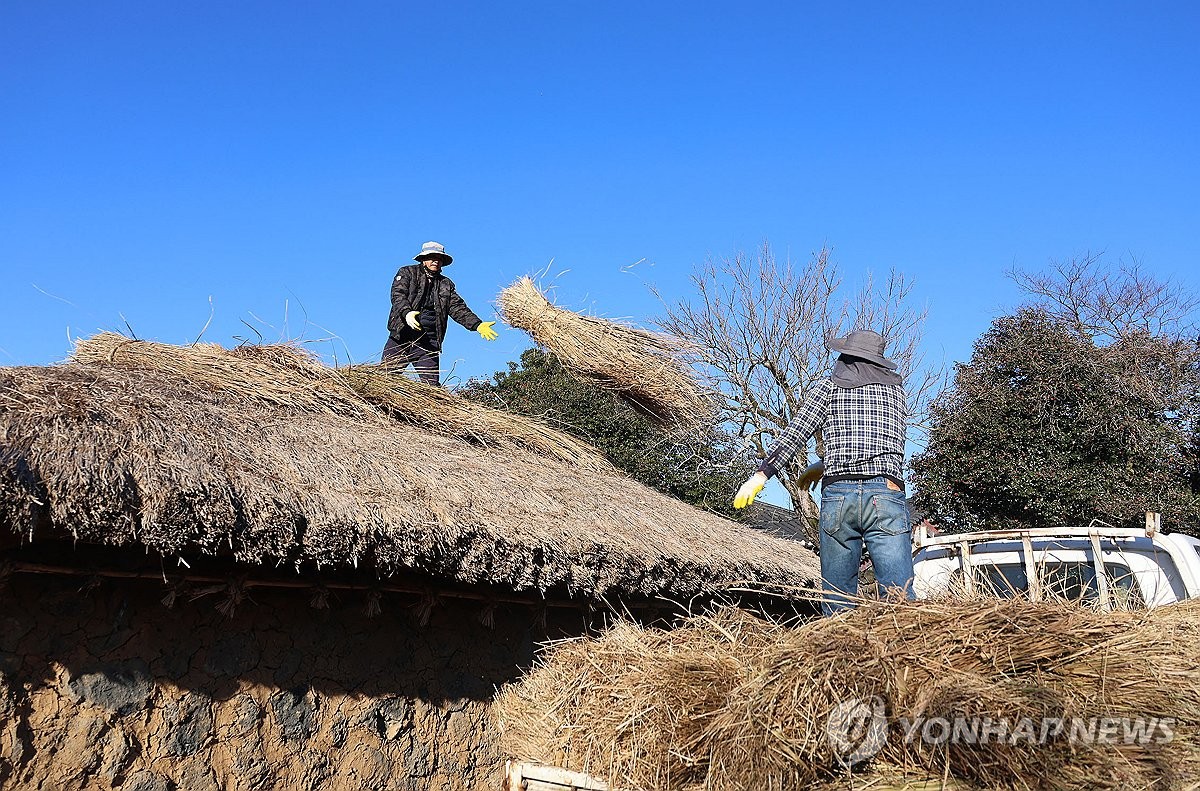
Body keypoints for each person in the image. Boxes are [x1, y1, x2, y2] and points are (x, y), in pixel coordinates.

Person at [733, 329, 913, 615]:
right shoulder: (896, 393)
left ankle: (838, 656)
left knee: (838, 597)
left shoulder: (828, 387)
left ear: (847, 358)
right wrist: (823, 464)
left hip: (839, 497)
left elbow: (796, 433)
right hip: (886, 493)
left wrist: (761, 474)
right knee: (899, 595)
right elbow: (885, 443)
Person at [382, 241, 498, 385]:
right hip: (401, 337)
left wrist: (477, 325)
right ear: (423, 259)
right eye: (431, 257)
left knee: (432, 389)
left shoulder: (445, 284)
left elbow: (457, 308)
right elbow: (398, 295)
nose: (435, 261)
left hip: (428, 343)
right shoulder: (407, 273)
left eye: (439, 258)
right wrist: (407, 313)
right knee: (385, 380)